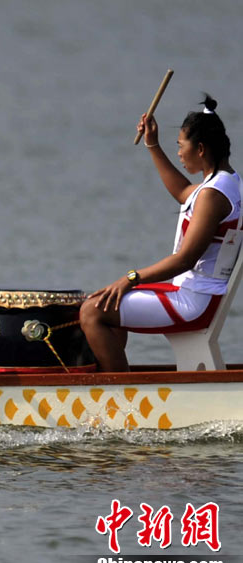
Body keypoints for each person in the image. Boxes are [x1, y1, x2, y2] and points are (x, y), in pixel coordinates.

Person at [81, 94, 241, 372]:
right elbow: (184, 192)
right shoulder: (228, 183)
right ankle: (117, 378)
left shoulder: (213, 195)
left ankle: (119, 393)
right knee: (109, 301)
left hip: (194, 302)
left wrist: (130, 278)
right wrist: (153, 145)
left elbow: (184, 260)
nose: (179, 153)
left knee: (92, 312)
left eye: (181, 146)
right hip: (198, 294)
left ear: (200, 148)